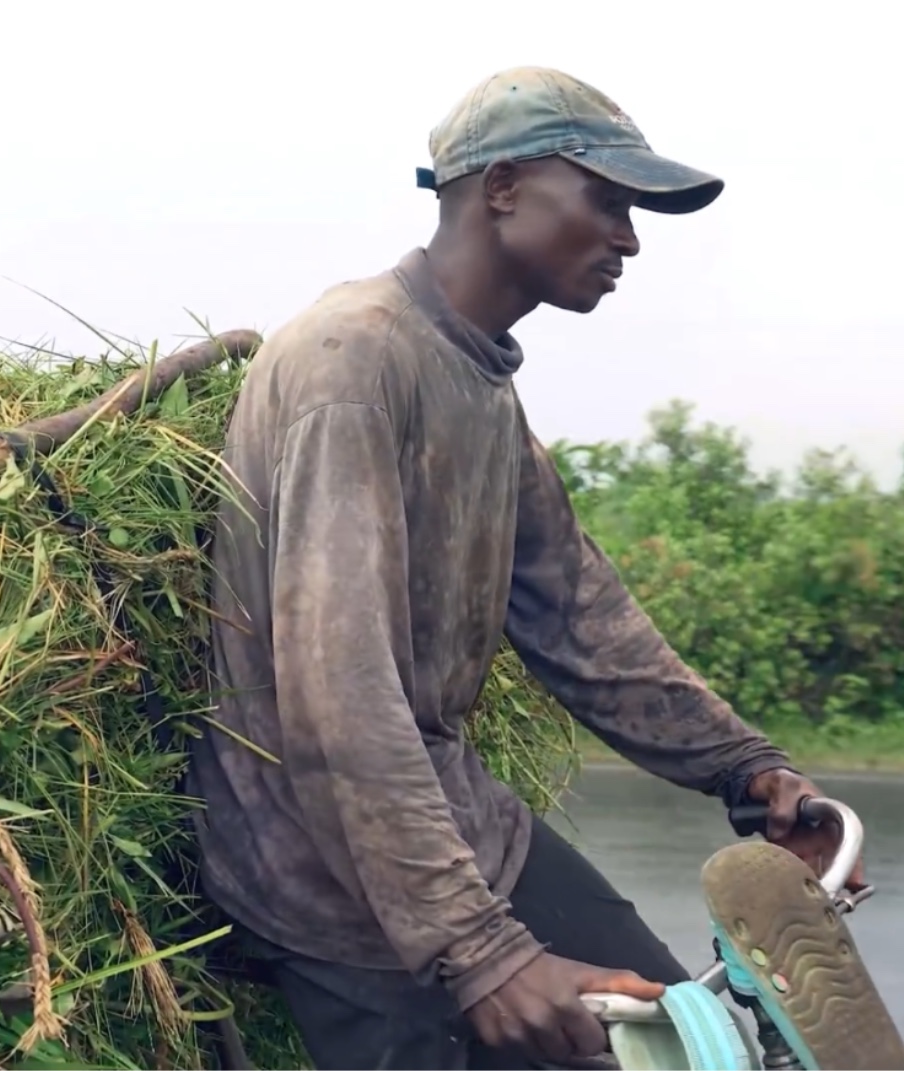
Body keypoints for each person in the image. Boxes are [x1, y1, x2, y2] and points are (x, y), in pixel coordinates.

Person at [188, 66, 860, 1070]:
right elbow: (335, 701)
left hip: (447, 811)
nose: (629, 238)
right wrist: (482, 952)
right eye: (607, 200)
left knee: (689, 1042)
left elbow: (575, 613)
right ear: (501, 187)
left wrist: (741, 767)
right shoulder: (351, 361)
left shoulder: (474, 373)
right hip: (316, 859)